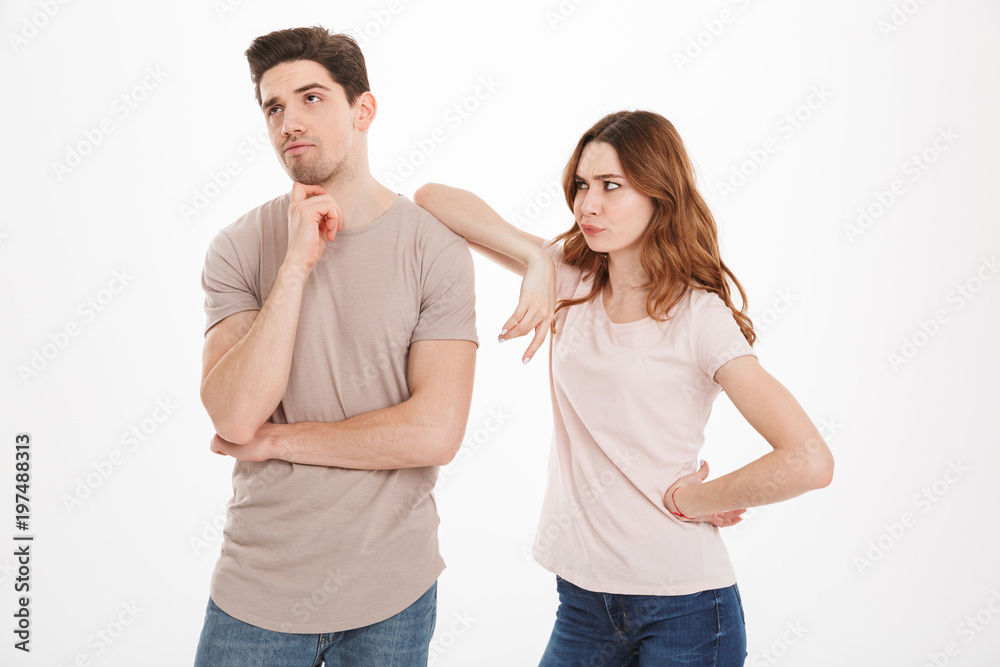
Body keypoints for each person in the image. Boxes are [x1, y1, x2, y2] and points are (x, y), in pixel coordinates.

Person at [414, 110, 834, 665]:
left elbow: (808, 459)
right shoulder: (571, 279)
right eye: (583, 186)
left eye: (612, 186)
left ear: (661, 195)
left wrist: (695, 500)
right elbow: (431, 198)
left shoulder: (698, 316)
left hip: (686, 610)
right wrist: (535, 261)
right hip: (584, 603)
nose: (588, 204)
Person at [193, 26, 478, 667]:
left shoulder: (434, 247)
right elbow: (235, 416)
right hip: (255, 594)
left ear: (363, 109)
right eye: (274, 107)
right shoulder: (238, 246)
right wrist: (295, 264)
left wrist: (279, 440)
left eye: (312, 98)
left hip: (393, 594)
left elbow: (435, 433)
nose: (289, 120)